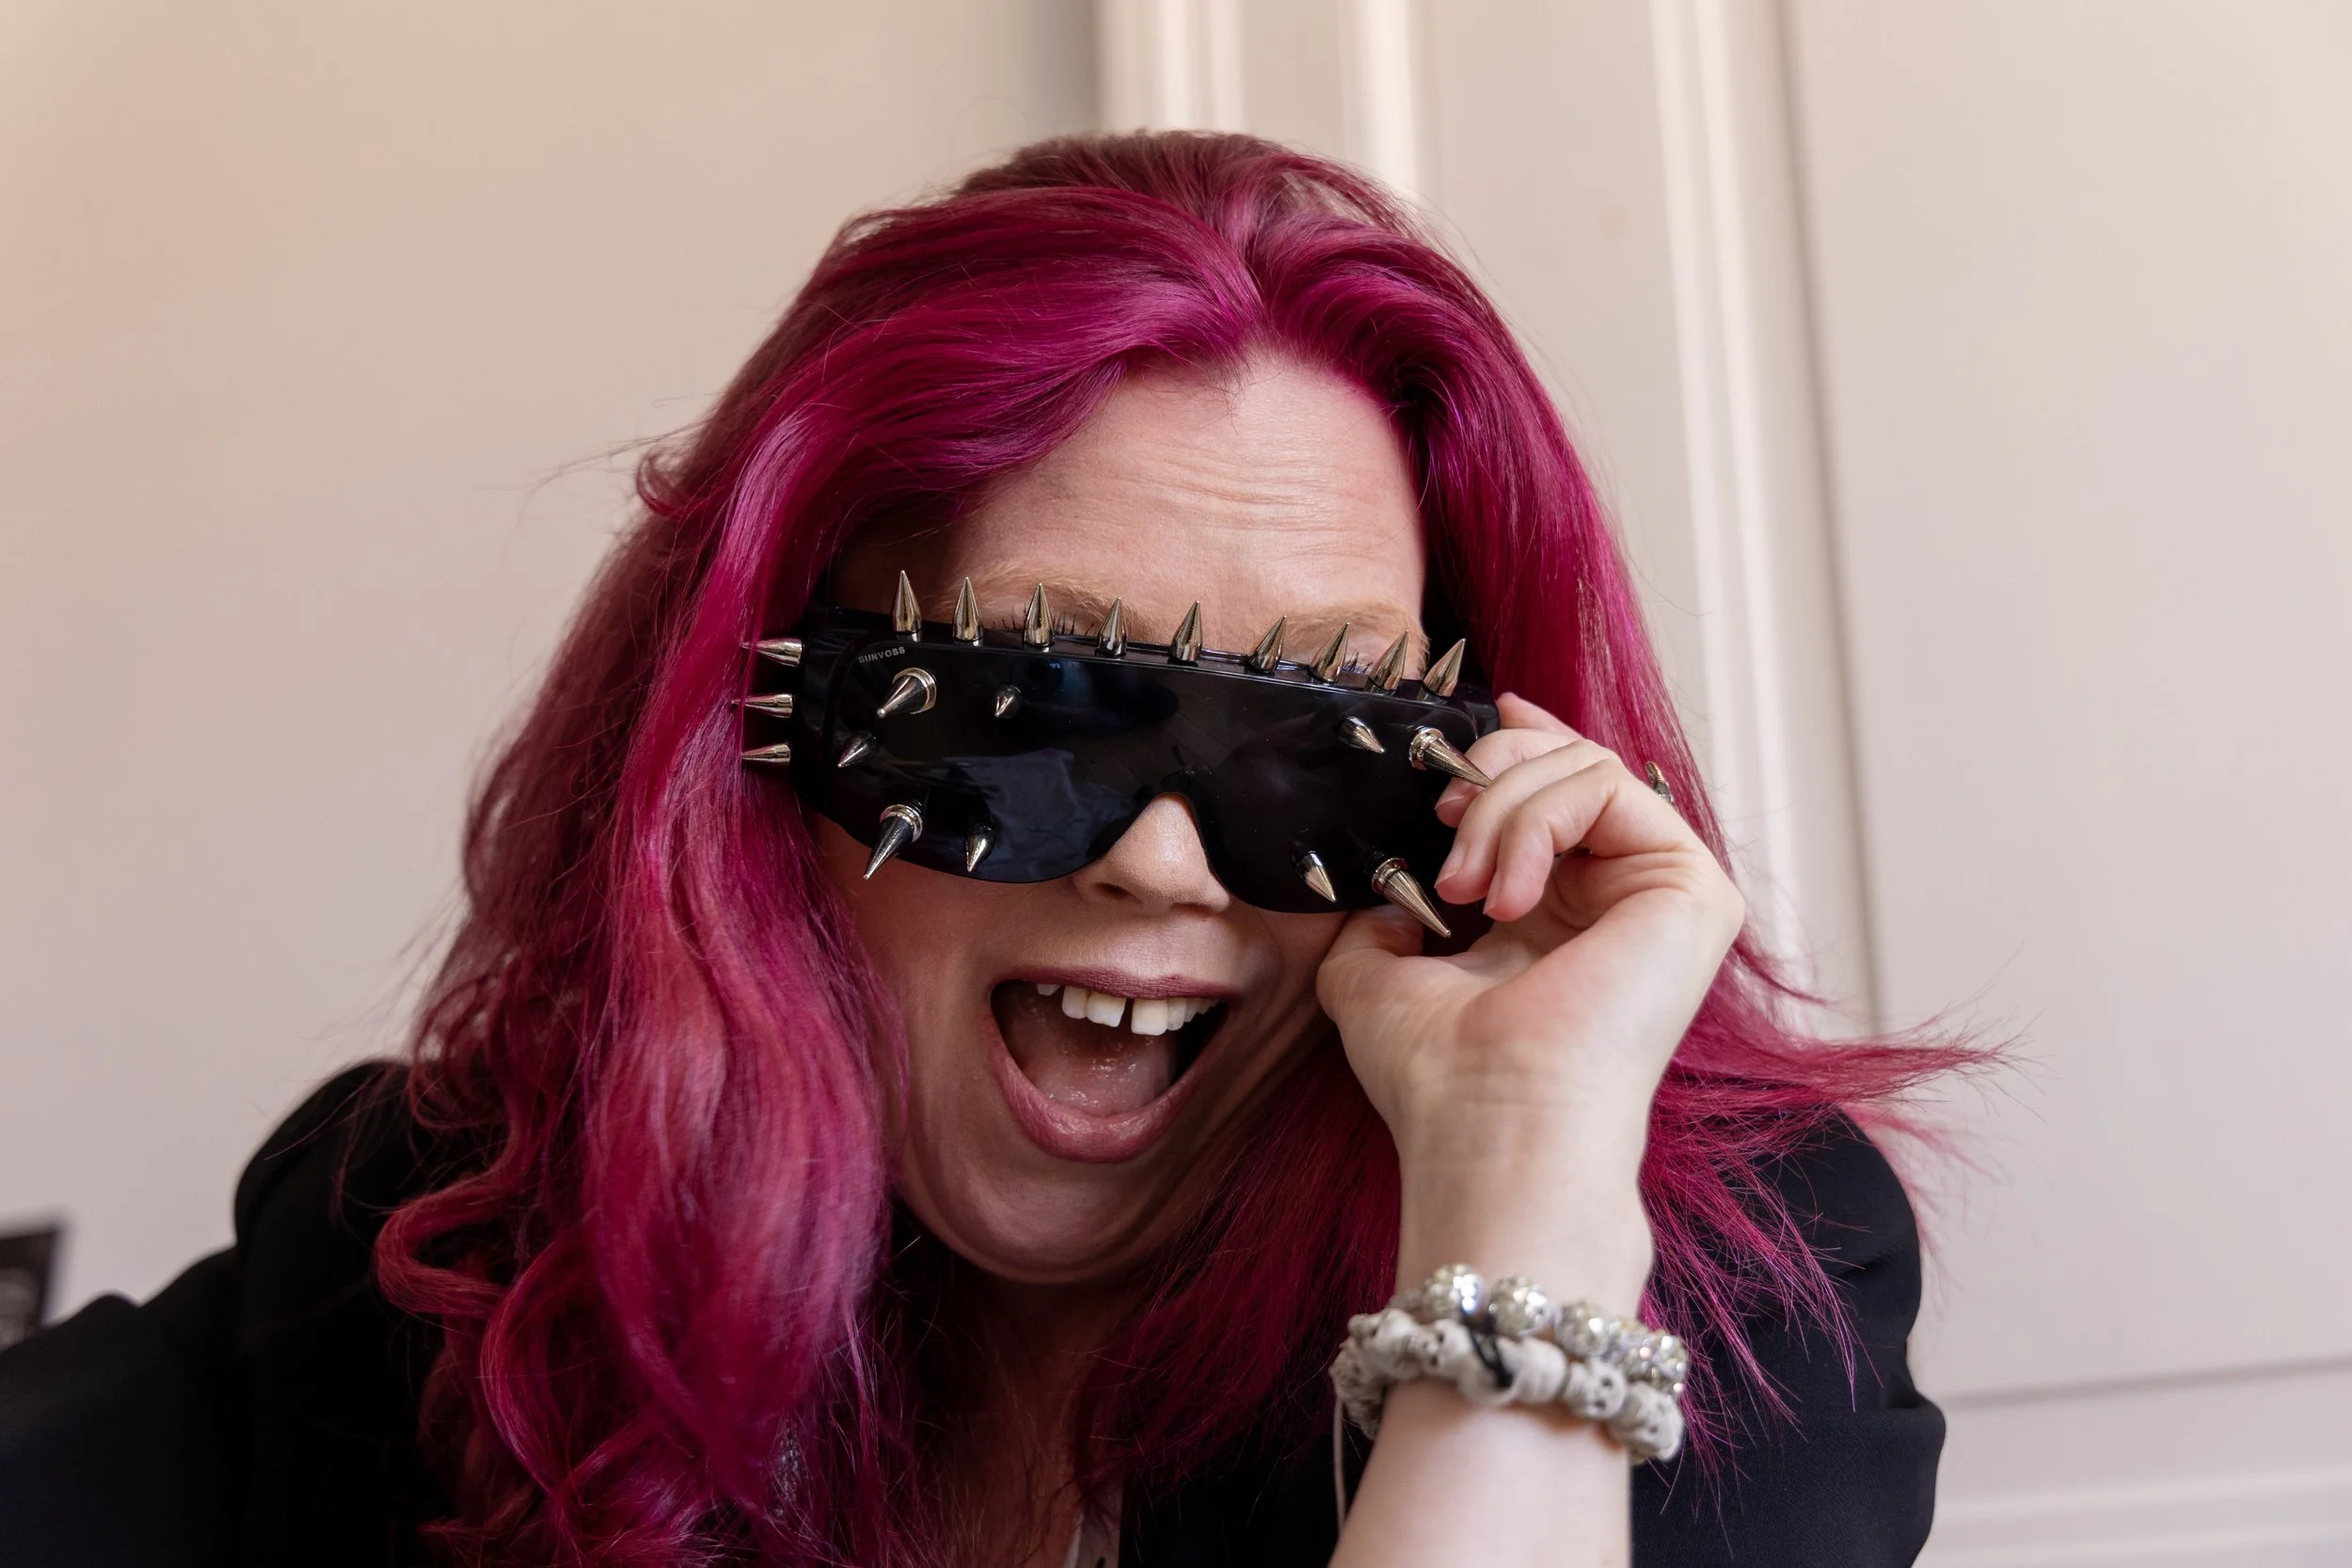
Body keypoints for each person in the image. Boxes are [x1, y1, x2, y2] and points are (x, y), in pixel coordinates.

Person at [0, 133, 1959, 1567]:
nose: (1167, 867)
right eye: (1026, 699)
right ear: (762, 735)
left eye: (1320, 742)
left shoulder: (1735, 1284)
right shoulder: (442, 1235)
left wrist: (1521, 1203)